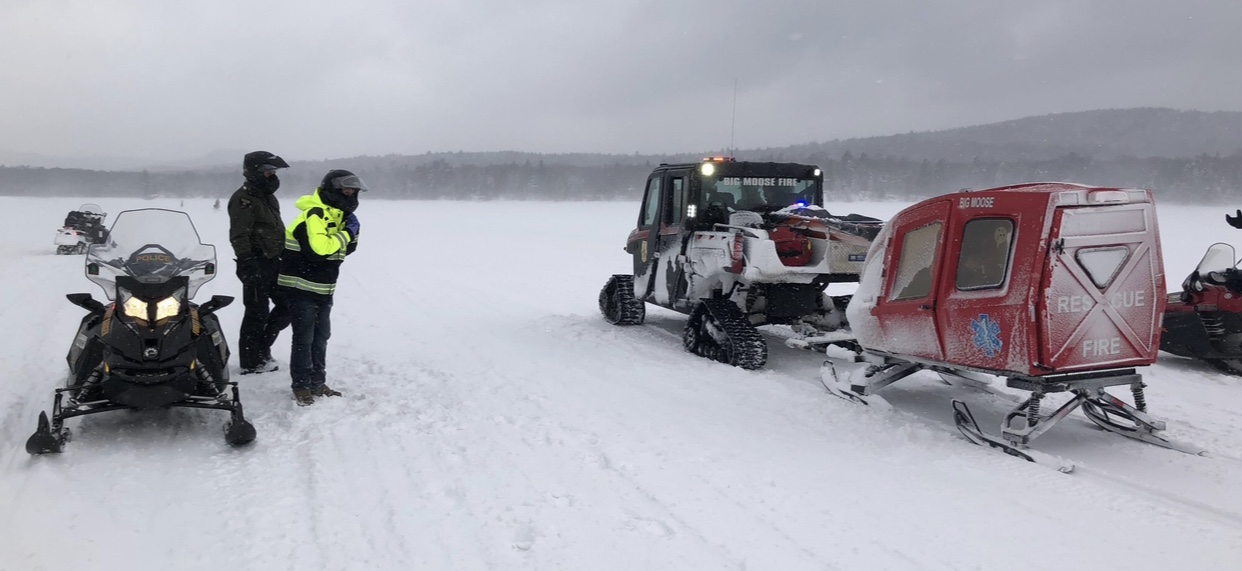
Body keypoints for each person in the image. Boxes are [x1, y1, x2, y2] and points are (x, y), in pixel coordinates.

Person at [277, 169, 366, 405]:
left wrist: (351, 234)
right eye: (347, 190)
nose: (351, 195)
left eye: (354, 191)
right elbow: (320, 250)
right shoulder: (314, 214)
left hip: (323, 287)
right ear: (333, 189)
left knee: (321, 337)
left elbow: (346, 250)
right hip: (300, 287)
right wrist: (347, 233)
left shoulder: (336, 215)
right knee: (304, 339)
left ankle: (317, 383)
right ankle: (301, 386)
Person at [228, 151, 292, 374]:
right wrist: (246, 261)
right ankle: (250, 361)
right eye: (267, 171)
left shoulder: (266, 195)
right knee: (256, 312)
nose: (272, 175)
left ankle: (262, 348)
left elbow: (275, 228)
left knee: (287, 306)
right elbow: (239, 234)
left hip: (274, 261)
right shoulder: (244, 198)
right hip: (255, 261)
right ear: (254, 172)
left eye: (273, 171)